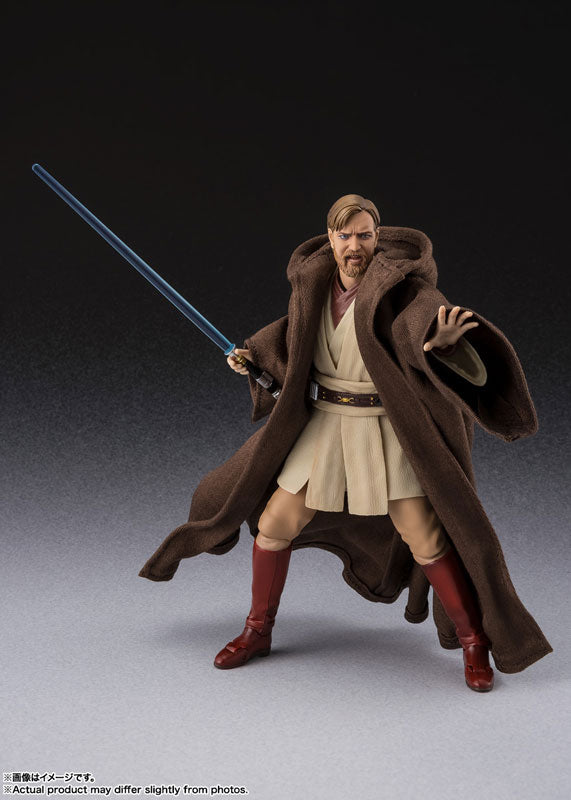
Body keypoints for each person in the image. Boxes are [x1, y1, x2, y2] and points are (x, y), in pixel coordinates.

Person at [139, 194, 552, 692]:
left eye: (364, 235)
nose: (354, 245)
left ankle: (472, 641)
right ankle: (257, 630)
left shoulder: (402, 290)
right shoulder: (313, 283)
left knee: (424, 533)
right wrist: (255, 358)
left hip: (384, 427)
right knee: (275, 523)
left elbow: (422, 330)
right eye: (345, 235)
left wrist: (441, 349)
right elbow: (294, 339)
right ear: (331, 238)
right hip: (326, 425)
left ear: (377, 237)